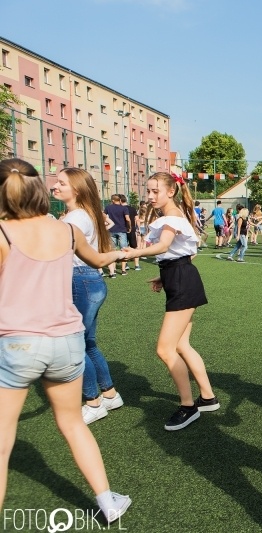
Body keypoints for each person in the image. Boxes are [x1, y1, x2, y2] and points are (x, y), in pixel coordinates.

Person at [0, 158, 130, 522]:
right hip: (67, 342)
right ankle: (108, 501)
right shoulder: (65, 230)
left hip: (18, 342)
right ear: (39, 189)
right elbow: (99, 259)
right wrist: (124, 252)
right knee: (72, 423)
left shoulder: (4, 232)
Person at [123, 172, 220, 431]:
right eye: (149, 191)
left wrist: (136, 252)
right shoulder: (174, 216)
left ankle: (188, 407)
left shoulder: (171, 217)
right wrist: (165, 276)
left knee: (165, 349)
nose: (151, 196)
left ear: (171, 191)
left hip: (183, 283)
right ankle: (208, 398)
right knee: (182, 345)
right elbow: (187, 254)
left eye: (156, 191)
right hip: (180, 279)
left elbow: (164, 246)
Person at [53, 168, 125, 424]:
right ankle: (110, 394)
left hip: (80, 280)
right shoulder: (82, 215)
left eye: (62, 183)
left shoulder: (75, 219)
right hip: (89, 280)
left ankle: (93, 402)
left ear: (77, 189)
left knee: (75, 345)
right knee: (88, 343)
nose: (55, 186)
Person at [103, 194, 130, 278]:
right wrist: (129, 227)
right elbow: (127, 219)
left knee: (112, 250)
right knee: (124, 250)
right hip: (122, 230)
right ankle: (123, 270)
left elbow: (103, 216)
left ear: (113, 200)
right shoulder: (124, 208)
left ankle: (113, 270)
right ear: (120, 200)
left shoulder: (108, 208)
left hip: (111, 230)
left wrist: (106, 224)